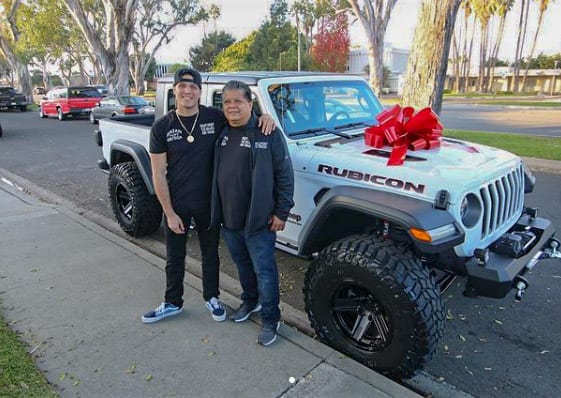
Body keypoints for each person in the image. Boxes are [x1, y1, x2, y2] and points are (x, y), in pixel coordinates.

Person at [142, 68, 275, 324]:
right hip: (177, 203)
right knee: (175, 256)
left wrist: (264, 116)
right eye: (182, 86)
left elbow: (241, 117)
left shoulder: (214, 117)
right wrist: (169, 213)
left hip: (211, 204)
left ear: (199, 91)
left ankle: (212, 297)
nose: (187, 91)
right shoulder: (161, 127)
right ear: (175, 90)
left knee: (210, 253)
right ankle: (172, 302)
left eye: (193, 87)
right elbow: (158, 173)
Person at [211, 80, 294, 346]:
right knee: (243, 266)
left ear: (250, 103)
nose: (232, 106)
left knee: (265, 272)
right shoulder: (221, 133)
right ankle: (251, 303)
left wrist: (282, 212)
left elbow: (285, 175)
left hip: (258, 222)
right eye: (227, 102)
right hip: (229, 219)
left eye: (238, 101)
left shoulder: (267, 132)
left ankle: (271, 318)